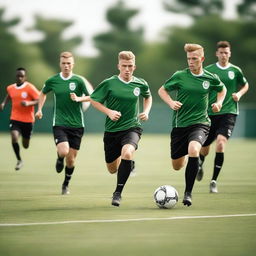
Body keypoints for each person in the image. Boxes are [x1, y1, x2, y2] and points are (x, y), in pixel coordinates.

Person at [158, 43, 227, 206]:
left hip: (201, 123)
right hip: (179, 125)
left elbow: (222, 89)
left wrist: (219, 103)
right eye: (189, 59)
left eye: (194, 59)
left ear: (202, 59)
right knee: (177, 165)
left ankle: (188, 193)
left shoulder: (210, 78)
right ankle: (193, 161)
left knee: (194, 149)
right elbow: (162, 90)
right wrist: (170, 102)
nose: (191, 62)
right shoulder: (180, 76)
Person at [89, 51, 152, 207]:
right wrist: (109, 112)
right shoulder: (109, 83)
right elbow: (94, 100)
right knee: (112, 169)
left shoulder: (140, 83)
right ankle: (128, 163)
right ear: (118, 66)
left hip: (132, 127)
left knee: (127, 152)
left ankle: (117, 193)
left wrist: (145, 111)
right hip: (112, 131)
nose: (127, 69)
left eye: (130, 66)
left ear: (134, 67)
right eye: (124, 66)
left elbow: (148, 96)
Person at [35, 51, 93, 195]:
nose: (66, 66)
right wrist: (39, 109)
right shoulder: (53, 80)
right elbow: (42, 93)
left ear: (73, 64)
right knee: (63, 151)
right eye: (64, 63)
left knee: (71, 161)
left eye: (69, 63)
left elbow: (92, 97)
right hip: (59, 123)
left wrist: (79, 99)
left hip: (77, 125)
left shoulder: (79, 81)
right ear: (60, 64)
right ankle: (59, 158)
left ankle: (65, 184)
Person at [196, 41, 249, 193]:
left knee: (220, 143)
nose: (224, 55)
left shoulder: (235, 70)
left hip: (229, 112)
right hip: (211, 113)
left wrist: (238, 94)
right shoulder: (209, 70)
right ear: (217, 54)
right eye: (221, 52)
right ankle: (200, 163)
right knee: (204, 148)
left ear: (230, 54)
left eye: (226, 52)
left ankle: (213, 181)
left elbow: (245, 85)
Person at [0, 68, 39, 170]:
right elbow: (9, 95)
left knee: (25, 145)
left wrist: (28, 103)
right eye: (18, 76)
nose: (20, 78)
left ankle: (26, 138)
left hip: (28, 120)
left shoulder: (30, 87)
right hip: (15, 118)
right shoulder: (10, 88)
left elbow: (39, 99)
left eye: (22, 76)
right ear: (16, 76)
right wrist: (4, 103)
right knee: (14, 137)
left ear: (25, 77)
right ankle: (19, 160)